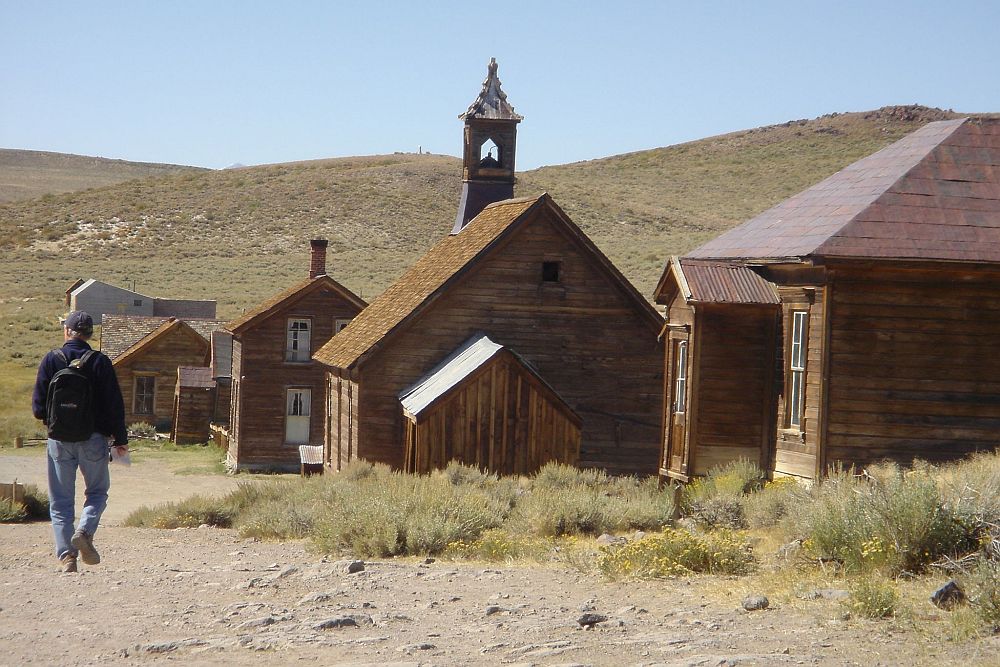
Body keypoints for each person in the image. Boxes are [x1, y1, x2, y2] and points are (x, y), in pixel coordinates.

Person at [31, 310, 129, 573]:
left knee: (60, 501)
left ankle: (67, 557)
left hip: (58, 440)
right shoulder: (100, 362)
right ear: (89, 334)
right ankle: (85, 530)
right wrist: (120, 439)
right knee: (97, 493)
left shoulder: (52, 360)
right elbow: (114, 406)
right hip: (94, 440)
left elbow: (39, 408)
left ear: (67, 331)